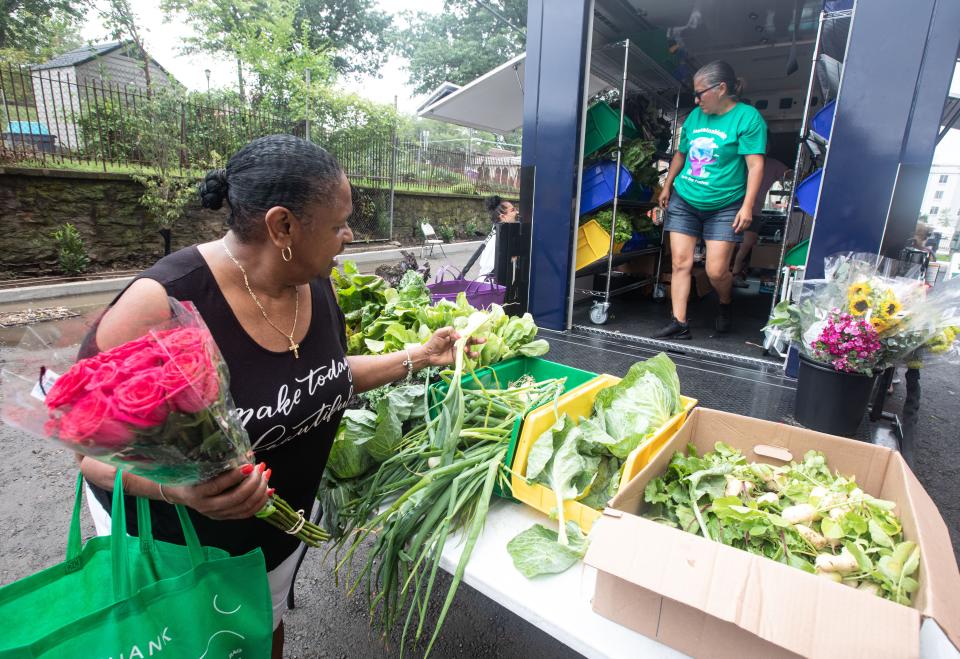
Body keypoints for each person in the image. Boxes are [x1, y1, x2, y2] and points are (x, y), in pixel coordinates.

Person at [76, 135, 477, 659]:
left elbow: (324, 379)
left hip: (270, 535)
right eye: (338, 224)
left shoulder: (313, 280)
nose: (349, 235)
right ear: (283, 225)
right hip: (179, 544)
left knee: (262, 630)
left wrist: (420, 357)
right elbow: (91, 457)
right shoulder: (163, 302)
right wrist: (181, 492)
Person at [654, 60, 767, 339]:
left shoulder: (747, 118)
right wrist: (667, 186)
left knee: (716, 271)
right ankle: (679, 323)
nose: (696, 99)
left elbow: (755, 166)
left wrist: (747, 206)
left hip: (726, 205)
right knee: (681, 263)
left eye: (701, 93)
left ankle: (725, 303)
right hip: (686, 199)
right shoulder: (694, 117)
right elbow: (680, 154)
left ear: (722, 89)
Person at [731, 155, 790, 288]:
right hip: (732, 207)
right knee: (732, 244)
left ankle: (735, 273)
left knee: (747, 244)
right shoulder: (740, 159)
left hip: (755, 211)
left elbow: (790, 174)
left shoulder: (774, 164)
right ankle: (731, 273)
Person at [476, 195, 519, 279]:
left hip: (487, 283)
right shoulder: (499, 239)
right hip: (490, 286)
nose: (517, 212)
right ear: (503, 217)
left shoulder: (496, 233)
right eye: (513, 210)